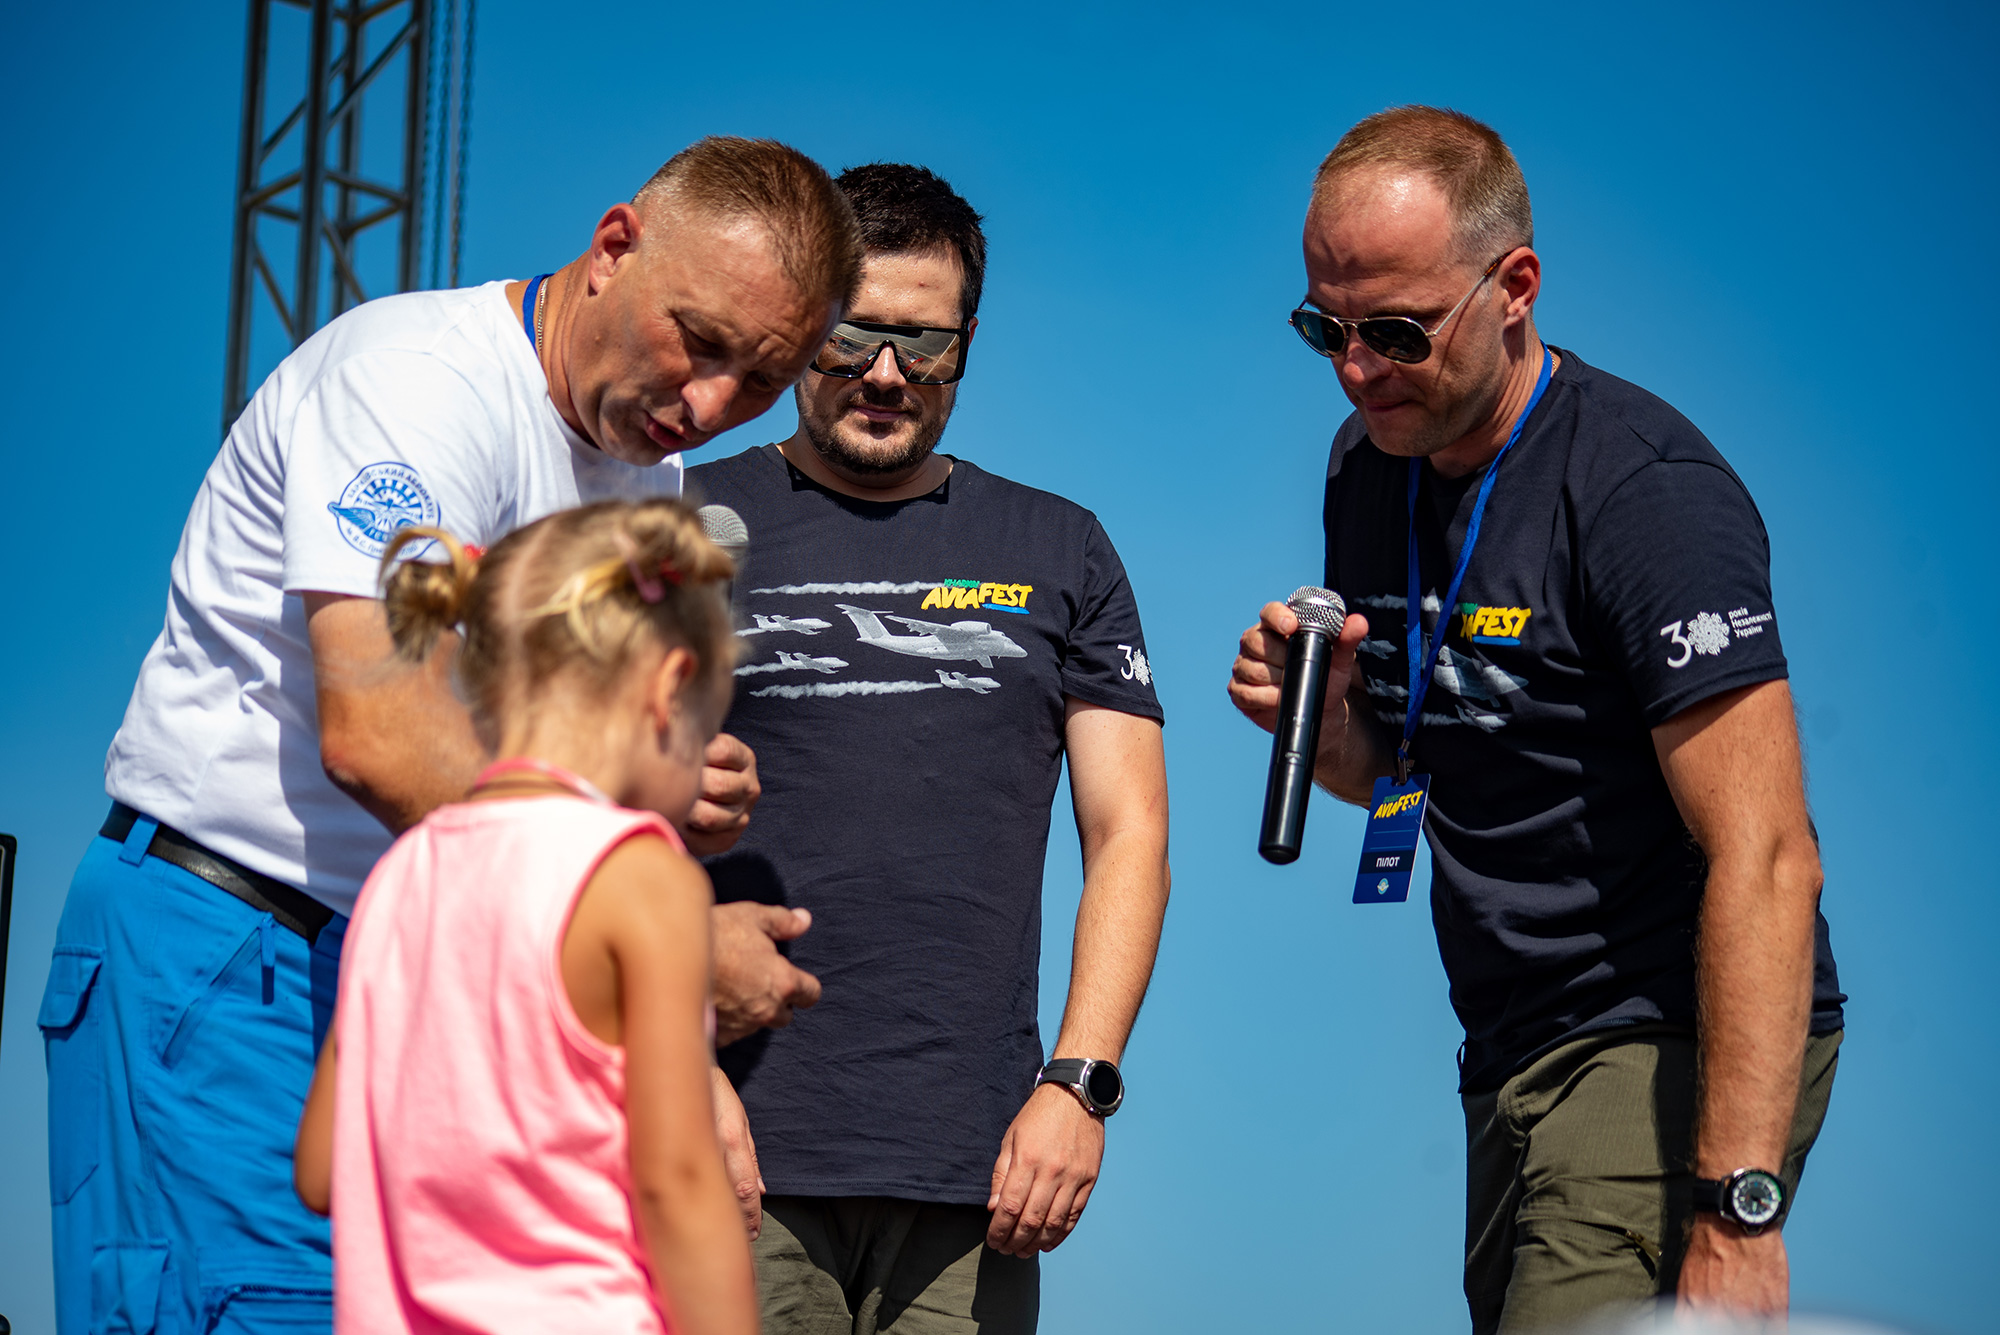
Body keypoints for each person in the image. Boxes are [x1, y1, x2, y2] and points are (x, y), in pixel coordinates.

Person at [39, 137, 858, 1334]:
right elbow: (383, 730)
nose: (707, 404)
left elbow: (530, 779)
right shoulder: (417, 386)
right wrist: (650, 941)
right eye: (699, 340)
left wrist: (649, 786)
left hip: (418, 965)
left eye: (760, 381)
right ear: (614, 246)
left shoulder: (647, 478)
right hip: (232, 950)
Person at [1227, 106, 1845, 1331]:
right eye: (1323, 329)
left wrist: (1737, 1211)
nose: (1354, 370)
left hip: (1661, 1029)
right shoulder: (1366, 466)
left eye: (1395, 332)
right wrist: (1331, 725)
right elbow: (1414, 769)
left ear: (1513, 288)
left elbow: (1769, 855)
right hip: (1505, 1043)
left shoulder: (1644, 495)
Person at [687, 163, 1170, 1335]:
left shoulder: (1062, 546)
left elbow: (1129, 833)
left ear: (966, 346)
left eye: (924, 343)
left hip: (977, 1174)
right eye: (851, 336)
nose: (885, 374)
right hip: (724, 1149)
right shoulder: (674, 520)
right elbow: (580, 818)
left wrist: (1078, 1085)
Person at [293, 500, 757, 1335]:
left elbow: (324, 1167)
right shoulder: (642, 875)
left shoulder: (399, 873)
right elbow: (678, 1182)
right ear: (669, 689)